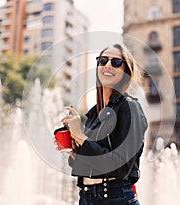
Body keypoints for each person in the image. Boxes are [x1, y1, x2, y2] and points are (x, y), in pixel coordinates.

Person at [61, 43, 148, 205]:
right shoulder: (94, 113)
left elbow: (122, 167)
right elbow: (93, 162)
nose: (108, 65)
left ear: (126, 71)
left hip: (115, 197)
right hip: (86, 197)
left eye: (116, 62)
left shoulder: (130, 107)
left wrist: (81, 137)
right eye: (102, 61)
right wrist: (75, 149)